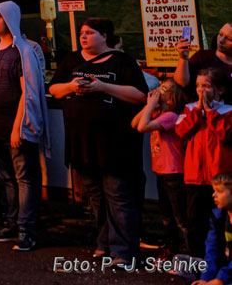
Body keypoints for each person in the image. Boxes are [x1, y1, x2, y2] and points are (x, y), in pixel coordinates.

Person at [49, 17, 148, 266]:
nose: (83, 37)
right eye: (82, 33)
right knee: (95, 196)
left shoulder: (122, 62)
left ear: (104, 36)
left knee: (117, 195)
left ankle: (124, 251)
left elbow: (139, 95)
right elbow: (54, 90)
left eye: (90, 33)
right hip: (81, 142)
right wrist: (72, 86)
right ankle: (103, 244)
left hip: (115, 143)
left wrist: (103, 87)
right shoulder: (71, 60)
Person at [0, 1, 49, 252]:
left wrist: (19, 126)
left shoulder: (22, 51)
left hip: (17, 127)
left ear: (9, 19)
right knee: (6, 177)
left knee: (24, 177)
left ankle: (26, 229)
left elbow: (26, 90)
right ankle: (12, 221)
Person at [175, 68, 232, 256]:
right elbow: (181, 131)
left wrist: (211, 113)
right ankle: (196, 260)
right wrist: (198, 112)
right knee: (195, 223)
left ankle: (221, 262)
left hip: (221, 179)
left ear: (220, 89)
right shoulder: (190, 109)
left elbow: (227, 134)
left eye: (206, 86)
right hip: (195, 178)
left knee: (221, 222)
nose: (201, 91)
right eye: (198, 86)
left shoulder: (227, 111)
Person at [134, 80, 188, 255]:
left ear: (172, 100)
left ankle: (190, 250)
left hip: (174, 172)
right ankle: (171, 247)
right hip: (162, 171)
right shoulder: (157, 112)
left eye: (163, 89)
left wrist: (150, 106)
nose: (158, 90)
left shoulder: (171, 116)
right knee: (166, 215)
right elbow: (134, 123)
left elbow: (142, 127)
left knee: (179, 216)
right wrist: (150, 106)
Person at [174, 23, 232, 92]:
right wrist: (183, 58)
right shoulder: (202, 56)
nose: (221, 40)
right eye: (220, 34)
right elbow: (181, 83)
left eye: (229, 39)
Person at [198, 173, 232, 285]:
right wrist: (206, 279)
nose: (214, 195)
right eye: (214, 190)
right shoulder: (218, 217)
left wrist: (220, 279)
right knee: (180, 261)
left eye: (220, 191)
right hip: (224, 265)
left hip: (228, 270)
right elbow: (212, 250)